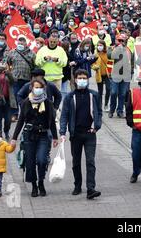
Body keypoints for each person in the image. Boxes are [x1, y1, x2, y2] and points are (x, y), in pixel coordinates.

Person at [11, 79, 59, 197]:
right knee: (30, 162)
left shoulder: (47, 103)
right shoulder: (26, 102)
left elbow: (51, 121)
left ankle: (41, 182)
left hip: (43, 135)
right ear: (31, 88)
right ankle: (34, 185)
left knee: (42, 160)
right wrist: (14, 138)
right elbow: (21, 120)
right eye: (35, 87)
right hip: (29, 135)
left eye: (40, 87)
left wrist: (55, 137)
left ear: (43, 89)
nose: (38, 89)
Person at [60, 69, 102, 199]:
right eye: (80, 78)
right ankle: (77, 185)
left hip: (90, 134)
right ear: (75, 79)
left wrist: (97, 126)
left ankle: (91, 188)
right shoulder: (69, 96)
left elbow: (99, 112)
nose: (82, 80)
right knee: (76, 162)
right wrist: (62, 132)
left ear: (88, 79)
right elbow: (64, 115)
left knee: (90, 161)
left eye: (84, 78)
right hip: (75, 134)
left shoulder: (94, 95)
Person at [6, 36, 36, 121]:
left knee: (27, 97)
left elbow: (35, 66)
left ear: (26, 44)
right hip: (15, 79)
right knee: (15, 97)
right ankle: (15, 114)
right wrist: (9, 73)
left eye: (22, 43)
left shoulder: (32, 53)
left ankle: (25, 114)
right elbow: (7, 63)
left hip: (27, 79)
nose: (20, 45)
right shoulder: (12, 52)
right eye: (19, 43)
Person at [108, 33, 133, 118]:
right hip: (114, 75)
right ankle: (111, 110)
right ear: (115, 40)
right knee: (114, 92)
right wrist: (117, 49)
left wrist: (131, 73)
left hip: (125, 76)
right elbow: (109, 56)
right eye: (119, 40)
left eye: (123, 41)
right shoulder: (111, 48)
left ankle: (120, 111)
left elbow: (131, 62)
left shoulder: (128, 50)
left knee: (122, 94)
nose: (121, 42)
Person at [0, 63, 17, 141]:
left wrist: (8, 72)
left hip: (8, 100)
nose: (3, 65)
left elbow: (13, 80)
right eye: (2, 63)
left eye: (5, 63)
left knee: (8, 119)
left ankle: (6, 131)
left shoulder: (10, 73)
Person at [92, 40, 111, 111]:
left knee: (109, 89)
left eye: (101, 45)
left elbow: (111, 61)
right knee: (100, 91)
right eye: (98, 45)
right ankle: (99, 106)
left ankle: (106, 104)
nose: (99, 47)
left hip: (107, 74)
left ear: (104, 46)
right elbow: (92, 63)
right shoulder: (95, 54)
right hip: (99, 74)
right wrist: (95, 67)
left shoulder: (107, 53)